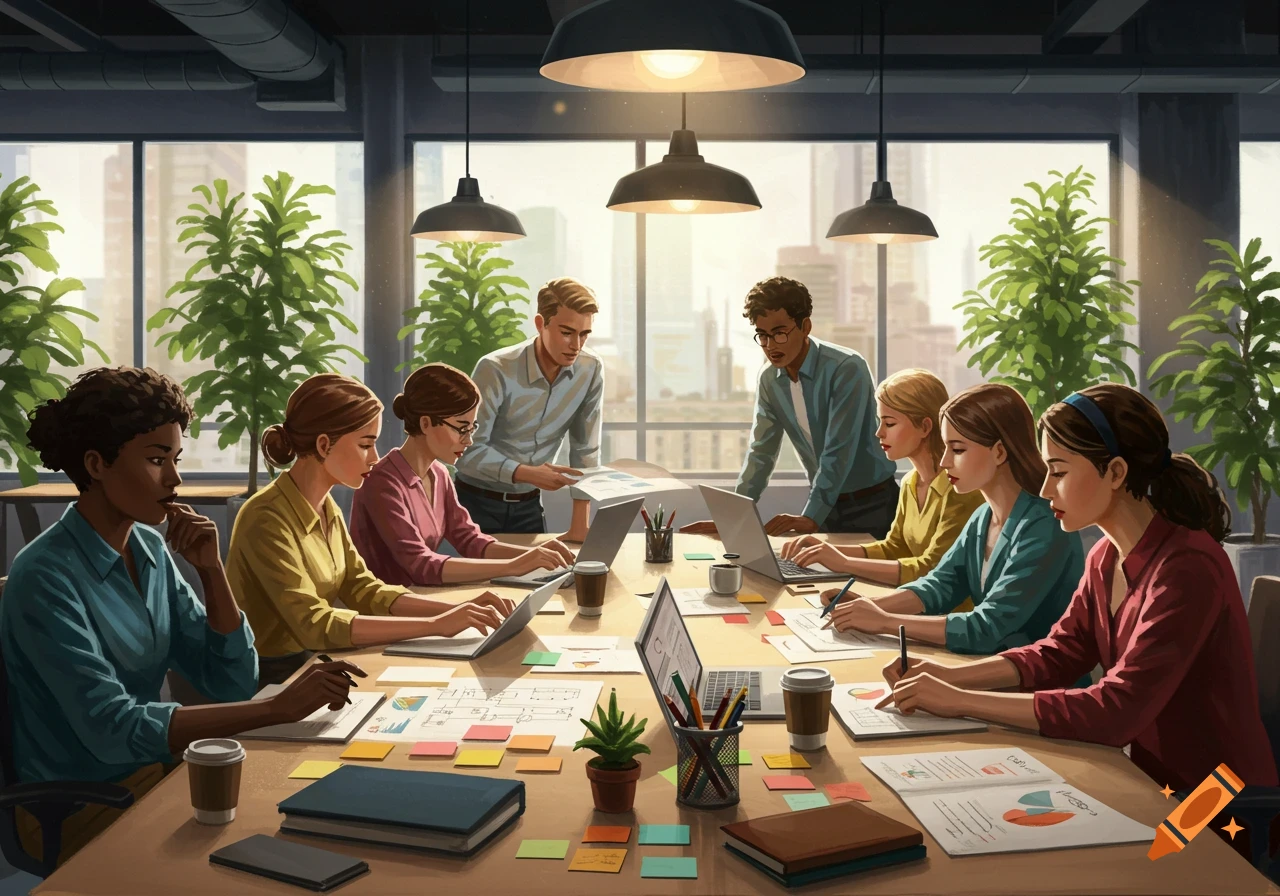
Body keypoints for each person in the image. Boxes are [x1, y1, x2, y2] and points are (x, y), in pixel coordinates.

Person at [0, 367, 363, 868]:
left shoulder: (148, 548)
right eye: (155, 460)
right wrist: (276, 710)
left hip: (153, 776)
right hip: (76, 807)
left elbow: (231, 682)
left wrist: (212, 572)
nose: (174, 479)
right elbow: (111, 728)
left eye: (175, 459)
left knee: (310, 823)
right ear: (95, 464)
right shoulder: (43, 575)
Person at [876, 384, 1278, 793]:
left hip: (1221, 799)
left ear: (1116, 472)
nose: (1047, 488)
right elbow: (1060, 653)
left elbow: (1117, 709)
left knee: (1120, 854)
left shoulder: (1188, 568)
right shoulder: (1106, 554)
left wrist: (959, 701)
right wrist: (951, 678)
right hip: (1149, 778)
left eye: (1061, 472)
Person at [226, 374, 516, 685]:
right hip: (269, 678)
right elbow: (314, 624)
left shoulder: (325, 507)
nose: (375, 457)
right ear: (324, 445)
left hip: (308, 663)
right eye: (366, 444)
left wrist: (457, 610)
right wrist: (435, 624)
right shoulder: (265, 517)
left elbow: (364, 589)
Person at [822, 383, 1084, 655]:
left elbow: (986, 627)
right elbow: (939, 585)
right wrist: (872, 603)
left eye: (957, 450)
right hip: (986, 667)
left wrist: (886, 621)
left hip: (1035, 687)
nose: (945, 461)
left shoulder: (1044, 525)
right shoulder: (983, 517)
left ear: (999, 452)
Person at [681, 276, 896, 538]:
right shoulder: (769, 379)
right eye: (762, 335)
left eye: (780, 333)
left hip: (872, 504)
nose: (771, 346)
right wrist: (733, 517)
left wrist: (810, 517)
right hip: (826, 508)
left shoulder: (846, 367)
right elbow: (761, 452)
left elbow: (838, 451)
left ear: (805, 326)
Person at [350, 363, 577, 585]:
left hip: (422, 596)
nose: (468, 440)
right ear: (426, 423)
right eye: (461, 428)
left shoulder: (438, 475)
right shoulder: (381, 483)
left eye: (472, 428)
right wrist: (514, 565)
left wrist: (536, 553)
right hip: (389, 611)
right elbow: (420, 565)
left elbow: (470, 540)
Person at [780, 368, 985, 586]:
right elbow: (894, 548)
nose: (879, 432)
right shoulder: (910, 482)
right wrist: (824, 551)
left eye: (889, 423)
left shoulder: (960, 488)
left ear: (925, 426)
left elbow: (931, 568)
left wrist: (844, 563)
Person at [453, 277, 603, 541]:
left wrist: (580, 526)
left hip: (529, 507)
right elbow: (466, 450)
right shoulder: (495, 369)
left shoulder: (590, 369)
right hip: (473, 505)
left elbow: (585, 451)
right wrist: (528, 473)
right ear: (539, 324)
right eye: (566, 332)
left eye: (584, 334)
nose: (576, 346)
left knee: (533, 580)